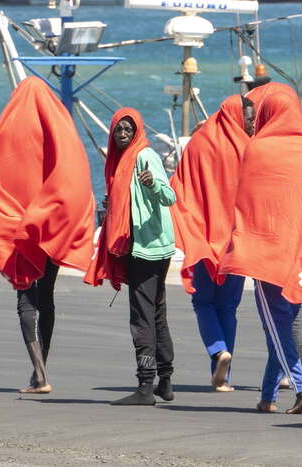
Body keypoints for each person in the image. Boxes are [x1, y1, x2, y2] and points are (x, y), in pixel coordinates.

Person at [0, 76, 95, 394]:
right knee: (45, 296)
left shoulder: (9, 128)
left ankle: (40, 373)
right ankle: (39, 373)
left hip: (19, 228)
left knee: (26, 297)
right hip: (50, 225)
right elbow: (74, 173)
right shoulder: (59, 128)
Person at [218, 87, 302, 414]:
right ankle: (267, 397)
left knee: (275, 323)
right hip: (301, 251)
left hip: (267, 252)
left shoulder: (259, 147)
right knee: (283, 322)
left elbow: (244, 198)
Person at [85, 108, 176, 406]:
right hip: (150, 246)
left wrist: (151, 183)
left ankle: (145, 386)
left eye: (127, 129)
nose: (122, 134)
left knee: (142, 316)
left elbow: (169, 197)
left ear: (137, 130)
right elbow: (128, 198)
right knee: (157, 312)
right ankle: (165, 380)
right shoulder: (120, 161)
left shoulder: (144, 156)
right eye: (118, 130)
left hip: (146, 248)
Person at [170, 95, 255, 392]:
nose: (252, 123)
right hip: (236, 239)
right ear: (236, 115)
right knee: (228, 306)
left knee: (203, 302)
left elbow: (179, 186)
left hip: (202, 238)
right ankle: (224, 376)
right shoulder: (248, 148)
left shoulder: (198, 142)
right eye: (248, 117)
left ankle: (218, 351)